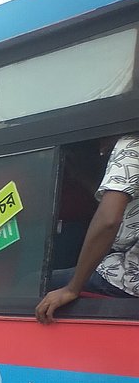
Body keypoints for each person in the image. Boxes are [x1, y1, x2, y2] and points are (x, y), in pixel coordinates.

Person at [36, 134, 139, 323]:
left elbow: (108, 220)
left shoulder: (131, 144)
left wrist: (72, 288)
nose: (99, 147)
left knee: (32, 283)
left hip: (129, 279)